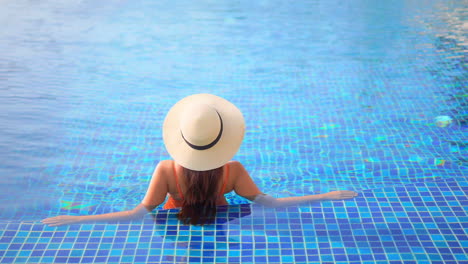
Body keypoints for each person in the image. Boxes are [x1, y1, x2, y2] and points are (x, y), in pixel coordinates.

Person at [42, 94, 357, 227]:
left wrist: (76, 220)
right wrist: (325, 195)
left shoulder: (166, 170)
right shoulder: (232, 172)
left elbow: (136, 214)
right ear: (221, 138)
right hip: (220, 219)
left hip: (174, 223)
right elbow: (270, 203)